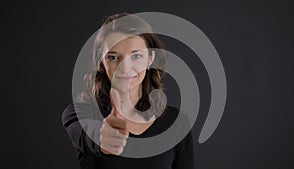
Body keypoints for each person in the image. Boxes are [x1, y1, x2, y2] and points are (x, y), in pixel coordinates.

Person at [62, 12, 195, 169]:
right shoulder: (79, 113)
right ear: (101, 62)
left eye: (136, 56)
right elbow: (88, 136)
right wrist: (103, 138)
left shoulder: (177, 123)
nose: (124, 68)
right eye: (113, 57)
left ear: (150, 58)